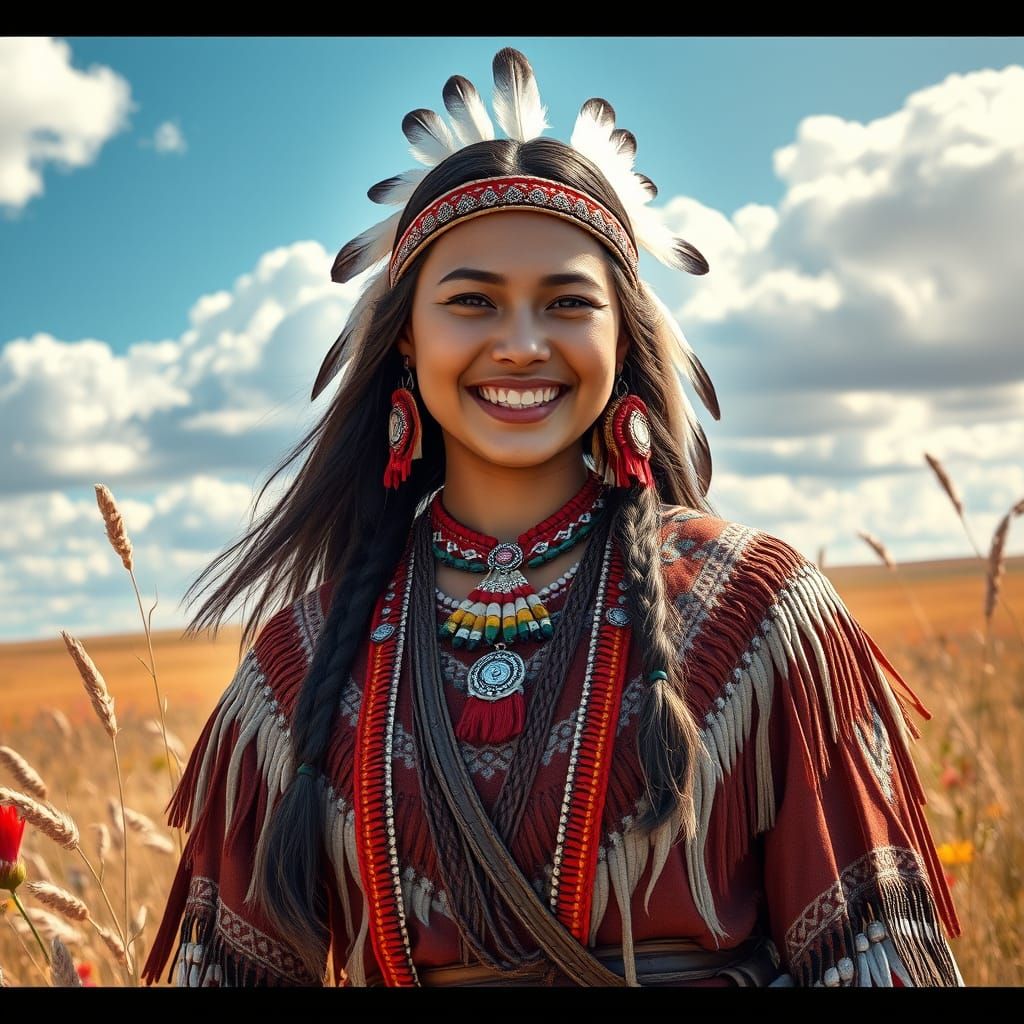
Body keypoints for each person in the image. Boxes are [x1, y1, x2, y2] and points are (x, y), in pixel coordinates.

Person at [141, 46, 963, 988]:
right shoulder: (300, 662)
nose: (523, 344)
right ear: (406, 337)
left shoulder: (761, 612)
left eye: (569, 302)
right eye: (473, 302)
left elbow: (875, 956)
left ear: (621, 334)